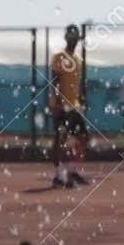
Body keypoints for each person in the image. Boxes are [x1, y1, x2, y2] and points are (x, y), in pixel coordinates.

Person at [48, 24, 89, 187]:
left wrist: (81, 99)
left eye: (75, 39)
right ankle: (58, 176)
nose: (73, 41)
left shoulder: (78, 59)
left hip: (75, 105)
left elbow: (77, 83)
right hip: (63, 105)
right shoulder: (60, 57)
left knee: (83, 137)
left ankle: (72, 172)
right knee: (60, 139)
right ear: (66, 39)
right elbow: (54, 80)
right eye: (71, 38)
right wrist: (56, 101)